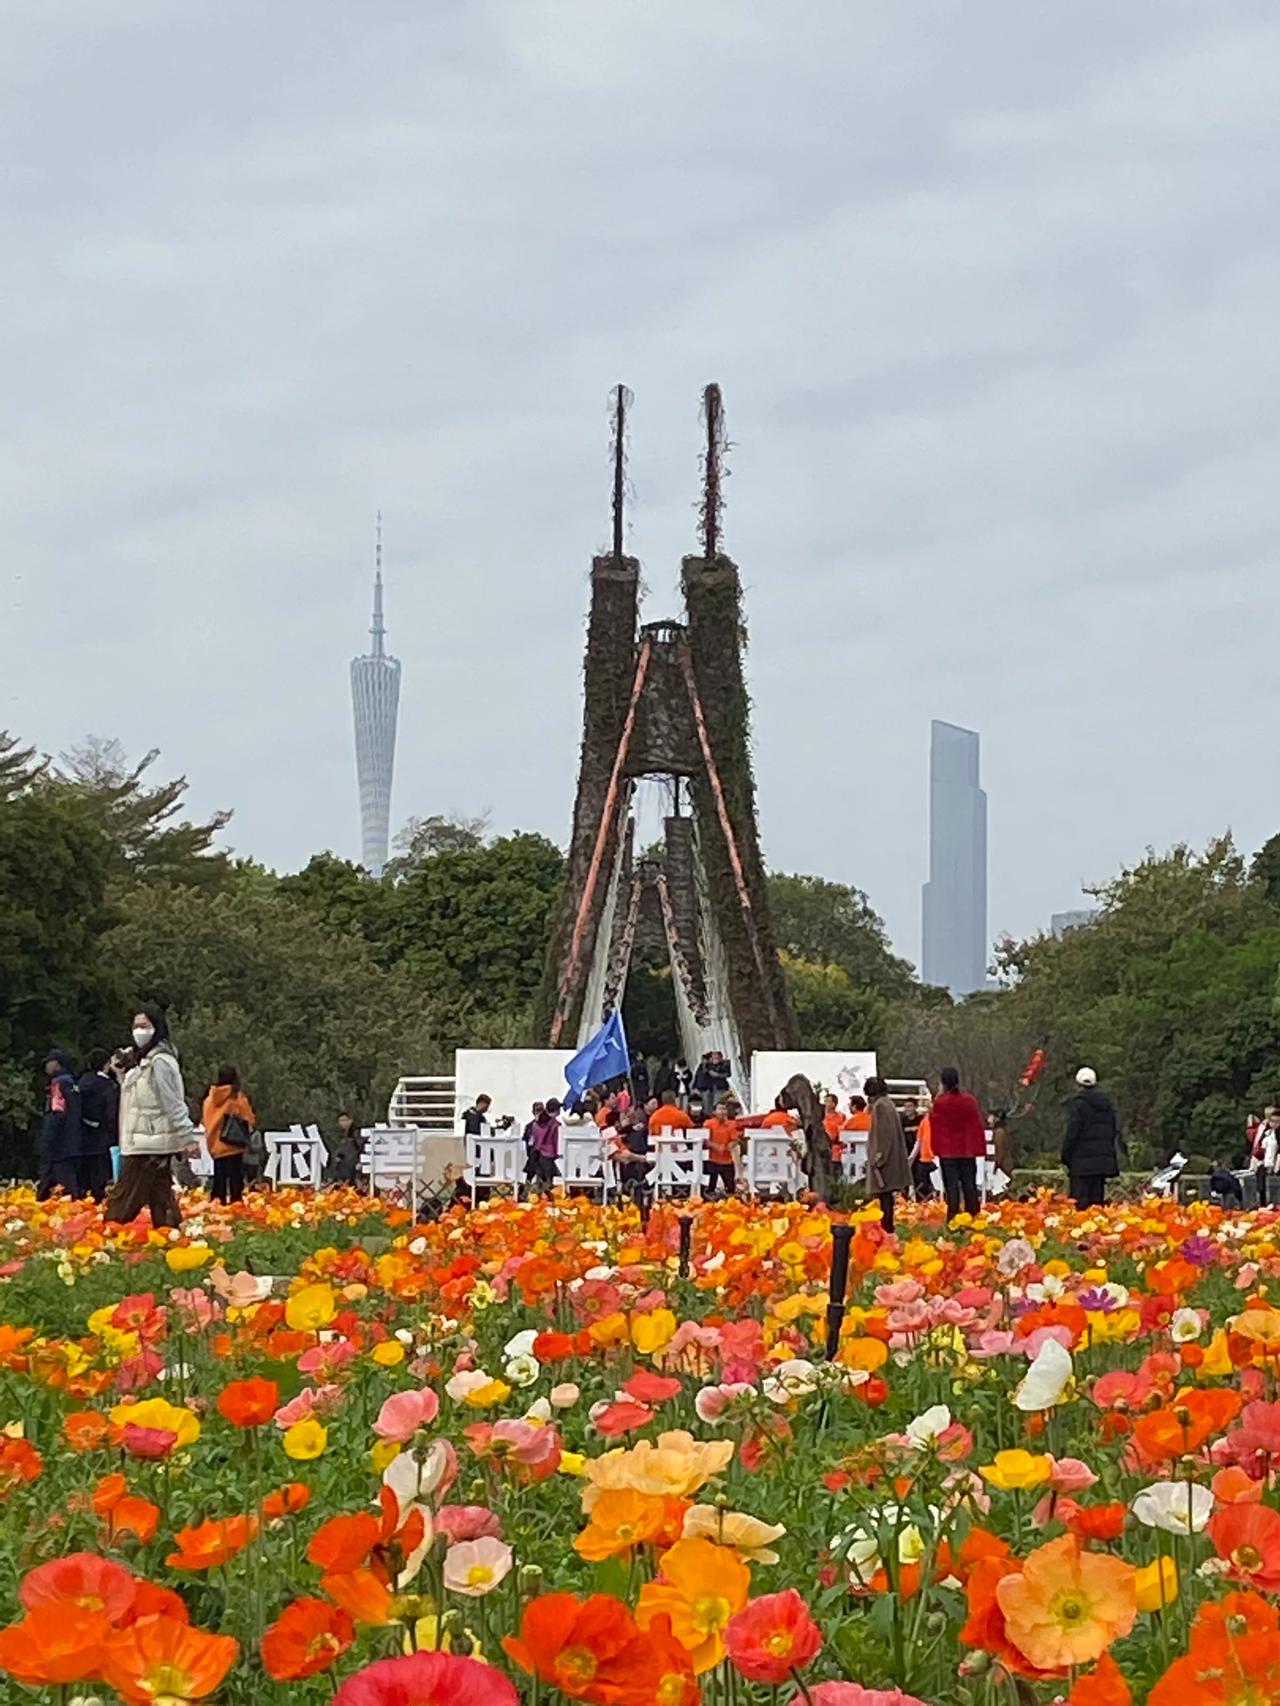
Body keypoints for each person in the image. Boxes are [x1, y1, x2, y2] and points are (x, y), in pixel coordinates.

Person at [105, 1007, 197, 1228]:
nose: (139, 1031)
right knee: (160, 1193)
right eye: (136, 1026)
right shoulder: (142, 1062)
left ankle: (109, 1236)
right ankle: (169, 1235)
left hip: (149, 1142)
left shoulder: (160, 1062)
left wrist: (187, 1136)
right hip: (145, 1139)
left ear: (157, 1029)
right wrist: (120, 1072)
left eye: (145, 1026)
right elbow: (136, 1098)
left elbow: (173, 1101)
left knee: (125, 1195)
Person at [930, 1066, 987, 1221]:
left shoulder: (940, 1102)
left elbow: (935, 1123)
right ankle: (973, 1217)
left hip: (948, 1151)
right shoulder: (969, 1101)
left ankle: (953, 1218)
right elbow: (976, 1125)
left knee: (952, 1188)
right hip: (966, 1150)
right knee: (969, 1186)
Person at [1061, 1066, 1120, 1209]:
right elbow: (1112, 1132)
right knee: (1096, 1204)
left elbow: (1072, 1133)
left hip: (1081, 1164)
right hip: (1101, 1163)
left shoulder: (1079, 1104)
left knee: (1080, 1205)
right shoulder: (1107, 1105)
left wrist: (1065, 1156)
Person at [202, 1066, 258, 1205]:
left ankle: (217, 1205)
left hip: (215, 1143)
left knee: (218, 1178)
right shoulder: (236, 1097)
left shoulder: (209, 1099)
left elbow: (205, 1120)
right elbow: (249, 1119)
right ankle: (235, 1205)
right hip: (233, 1143)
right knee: (235, 1179)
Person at [864, 1076, 910, 1232]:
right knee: (887, 1197)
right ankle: (888, 1227)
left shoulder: (880, 1107)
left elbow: (884, 1134)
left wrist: (878, 1156)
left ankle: (887, 1228)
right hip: (892, 1156)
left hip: (885, 1159)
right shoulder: (888, 1103)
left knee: (885, 1196)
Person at [38, 1048, 82, 1200]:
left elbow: (57, 1113)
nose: (46, 1067)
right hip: (72, 1140)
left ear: (57, 1064)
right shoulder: (72, 1082)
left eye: (48, 1063)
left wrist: (47, 1138)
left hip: (58, 1142)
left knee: (54, 1177)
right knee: (69, 1178)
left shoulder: (58, 1084)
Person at [76, 1049, 119, 1201]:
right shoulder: (107, 1086)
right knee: (99, 1177)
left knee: (84, 1177)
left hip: (81, 1136)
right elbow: (111, 1112)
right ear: (106, 1064)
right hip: (102, 1136)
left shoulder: (81, 1082)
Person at [701, 1102, 741, 1196]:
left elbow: (735, 1139)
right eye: (720, 1109)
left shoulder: (731, 1124)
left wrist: (730, 1145)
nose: (722, 1111)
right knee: (710, 1188)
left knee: (731, 1189)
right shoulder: (708, 1124)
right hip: (712, 1161)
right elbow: (704, 1139)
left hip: (727, 1162)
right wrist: (716, 1146)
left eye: (724, 1109)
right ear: (714, 1112)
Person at [524, 1099, 561, 1191]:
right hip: (550, 1155)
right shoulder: (555, 1125)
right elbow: (556, 1141)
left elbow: (532, 1140)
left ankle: (536, 1195)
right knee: (550, 1181)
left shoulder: (535, 1124)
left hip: (537, 1153)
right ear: (556, 1110)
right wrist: (559, 1154)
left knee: (539, 1179)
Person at [328, 1112, 365, 1186]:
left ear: (350, 1120)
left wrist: (360, 1161)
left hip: (352, 1165)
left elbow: (360, 1147)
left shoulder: (355, 1133)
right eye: (340, 1121)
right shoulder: (345, 1134)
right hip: (346, 1165)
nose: (342, 1123)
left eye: (344, 1120)